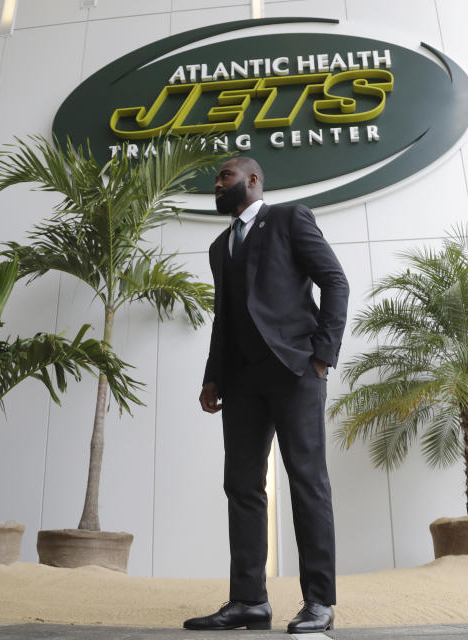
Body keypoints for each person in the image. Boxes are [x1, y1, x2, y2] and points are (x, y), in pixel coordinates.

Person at [184, 157, 349, 633]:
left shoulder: (289, 219)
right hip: (241, 382)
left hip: (294, 371)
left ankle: (319, 603)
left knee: (307, 482)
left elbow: (335, 281)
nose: (217, 184)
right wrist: (213, 376)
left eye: (225, 177)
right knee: (241, 486)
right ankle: (249, 601)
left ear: (253, 180)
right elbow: (225, 318)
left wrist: (321, 356)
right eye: (217, 179)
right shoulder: (220, 247)